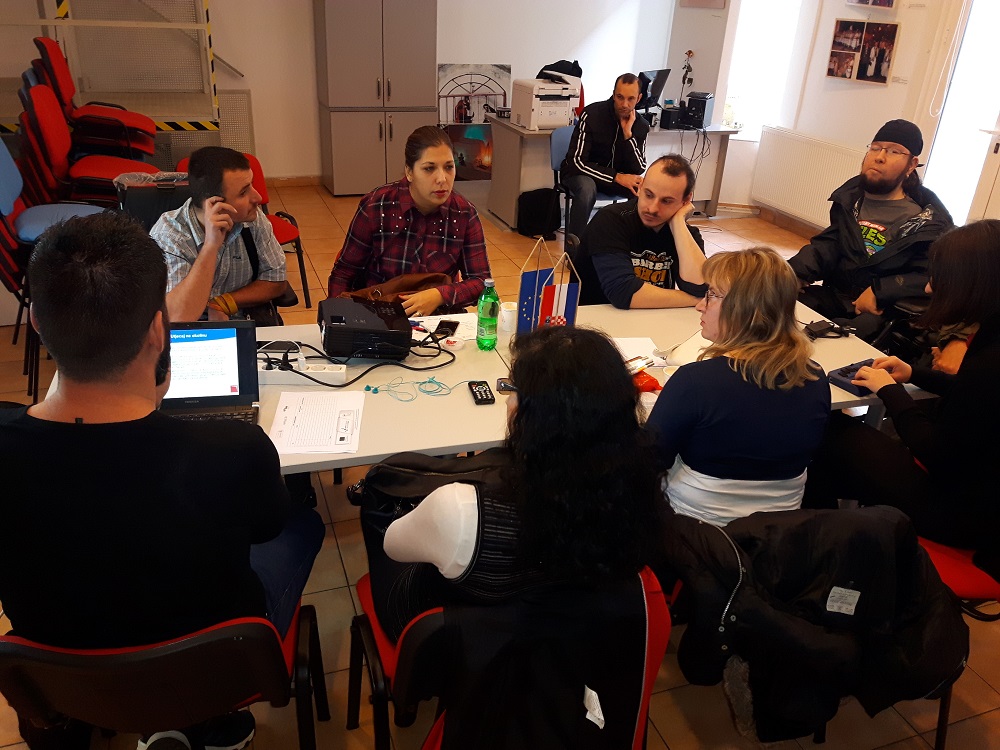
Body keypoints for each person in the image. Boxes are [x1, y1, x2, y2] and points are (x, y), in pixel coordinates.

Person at [0, 212, 324, 750]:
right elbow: (267, 527)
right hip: (215, 672)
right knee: (302, 523)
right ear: (158, 329)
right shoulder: (234, 449)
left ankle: (85, 721)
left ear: (37, 322)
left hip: (65, 679)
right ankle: (208, 723)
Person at [368, 326, 661, 641]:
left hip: (454, 643)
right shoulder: (638, 484)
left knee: (379, 518)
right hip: (576, 636)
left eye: (512, 389)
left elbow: (393, 547)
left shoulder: (461, 508)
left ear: (528, 412)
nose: (507, 401)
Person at [803, 220, 1000, 579]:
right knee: (843, 449)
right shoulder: (992, 336)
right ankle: (833, 542)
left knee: (827, 431)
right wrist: (914, 373)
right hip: (979, 494)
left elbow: (937, 452)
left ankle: (818, 555)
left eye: (938, 279)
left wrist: (889, 391)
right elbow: (975, 401)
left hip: (962, 515)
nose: (928, 288)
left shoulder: (990, 362)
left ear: (973, 283)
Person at [647, 247, 830, 526]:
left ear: (746, 308)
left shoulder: (695, 382)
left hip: (695, 532)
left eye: (712, 295)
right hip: (780, 535)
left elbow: (647, 463)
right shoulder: (815, 378)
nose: (700, 305)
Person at [788, 119, 953, 342]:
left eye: (894, 151)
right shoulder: (849, 200)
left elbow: (929, 276)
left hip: (883, 310)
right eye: (875, 148)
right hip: (838, 295)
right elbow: (829, 245)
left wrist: (880, 290)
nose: (880, 157)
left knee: (845, 339)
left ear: (911, 165)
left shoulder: (928, 222)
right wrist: (793, 273)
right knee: (783, 308)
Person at [326, 126, 491, 316]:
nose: (442, 179)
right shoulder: (377, 206)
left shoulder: (464, 214)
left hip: (437, 317)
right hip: (379, 313)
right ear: (409, 172)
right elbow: (344, 273)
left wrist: (440, 295)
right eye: (429, 168)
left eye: (449, 167)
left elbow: (482, 283)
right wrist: (337, 320)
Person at [151, 146, 287, 323]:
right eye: (243, 192)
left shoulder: (251, 219)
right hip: (193, 330)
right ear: (215, 205)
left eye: (252, 185)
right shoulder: (170, 236)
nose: (258, 198)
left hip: (244, 319)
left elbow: (277, 281)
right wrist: (210, 246)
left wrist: (224, 303)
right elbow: (177, 318)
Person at [576, 154, 707, 308]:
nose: (652, 208)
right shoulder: (610, 220)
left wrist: (678, 222)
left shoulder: (686, 234)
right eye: (649, 195)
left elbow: (702, 287)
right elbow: (622, 293)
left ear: (686, 200)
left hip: (653, 315)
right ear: (640, 186)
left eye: (666, 201)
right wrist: (694, 300)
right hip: (599, 315)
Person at [559, 73, 650, 239]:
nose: (624, 104)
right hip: (580, 175)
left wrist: (628, 135)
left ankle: (629, 244)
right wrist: (616, 177)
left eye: (630, 99)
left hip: (612, 179)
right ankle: (575, 247)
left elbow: (639, 168)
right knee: (587, 189)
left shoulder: (641, 125)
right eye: (620, 97)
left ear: (639, 98)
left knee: (641, 190)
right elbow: (577, 162)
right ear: (613, 94)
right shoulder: (592, 114)